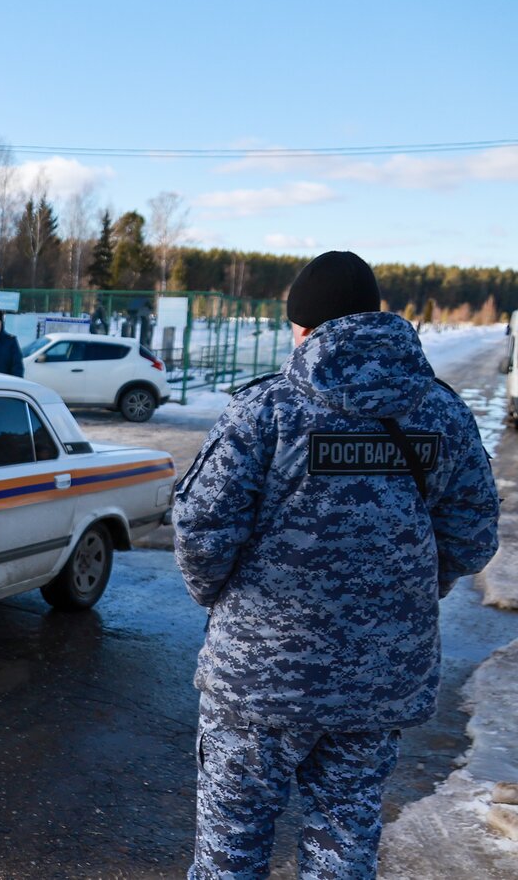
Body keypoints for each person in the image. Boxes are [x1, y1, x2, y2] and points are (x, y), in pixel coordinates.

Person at [173, 251, 499, 879]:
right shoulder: (442, 414)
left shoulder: (265, 410)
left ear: (303, 328)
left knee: (230, 842)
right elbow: (473, 534)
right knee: (345, 838)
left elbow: (201, 528)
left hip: (259, 678)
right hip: (379, 679)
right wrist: (414, 589)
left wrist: (222, 600)